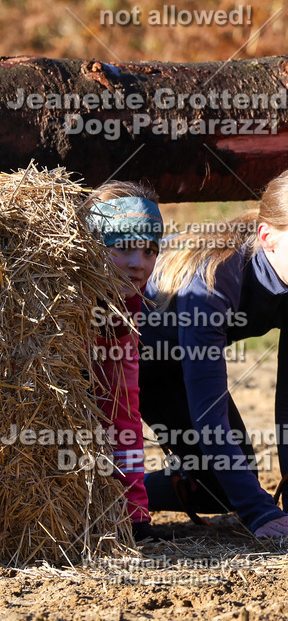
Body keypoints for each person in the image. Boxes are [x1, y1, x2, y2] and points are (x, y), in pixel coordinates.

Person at [139, 167, 288, 538]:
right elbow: (208, 410)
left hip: (169, 371)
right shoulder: (214, 280)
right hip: (114, 362)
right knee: (240, 485)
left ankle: (125, 491)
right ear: (267, 237)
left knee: (221, 487)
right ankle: (106, 493)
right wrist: (258, 513)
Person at [86, 181, 164, 542]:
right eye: (123, 248)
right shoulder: (57, 297)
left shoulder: (129, 306)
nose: (139, 264)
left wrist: (136, 518)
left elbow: (124, 415)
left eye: (149, 250)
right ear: (91, 247)